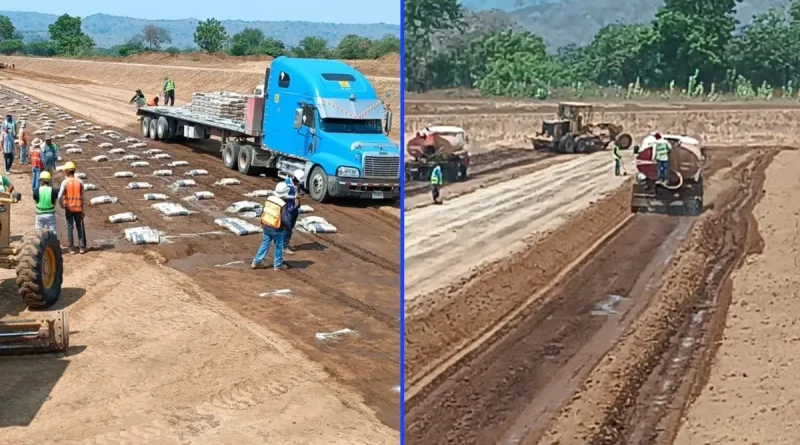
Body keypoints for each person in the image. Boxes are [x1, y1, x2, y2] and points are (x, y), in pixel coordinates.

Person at [251, 182, 291, 271]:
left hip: (266, 224)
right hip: (277, 228)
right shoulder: (282, 204)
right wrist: (288, 227)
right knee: (278, 245)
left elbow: (263, 211)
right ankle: (278, 264)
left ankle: (256, 261)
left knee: (265, 243)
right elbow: (285, 218)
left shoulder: (269, 198)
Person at [58, 162, 87, 254]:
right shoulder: (80, 182)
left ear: (66, 171)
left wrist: (62, 205)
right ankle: (82, 247)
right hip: (78, 208)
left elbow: (59, 196)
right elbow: (82, 197)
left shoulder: (65, 182)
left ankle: (71, 248)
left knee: (70, 227)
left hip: (69, 208)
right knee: (79, 227)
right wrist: (83, 210)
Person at [282, 169, 304, 254]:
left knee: (290, 228)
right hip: (288, 209)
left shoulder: (296, 184)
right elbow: (283, 196)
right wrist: (294, 197)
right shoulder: (286, 184)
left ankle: (286, 243)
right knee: (287, 228)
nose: (299, 182)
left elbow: (297, 192)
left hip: (295, 208)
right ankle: (284, 246)